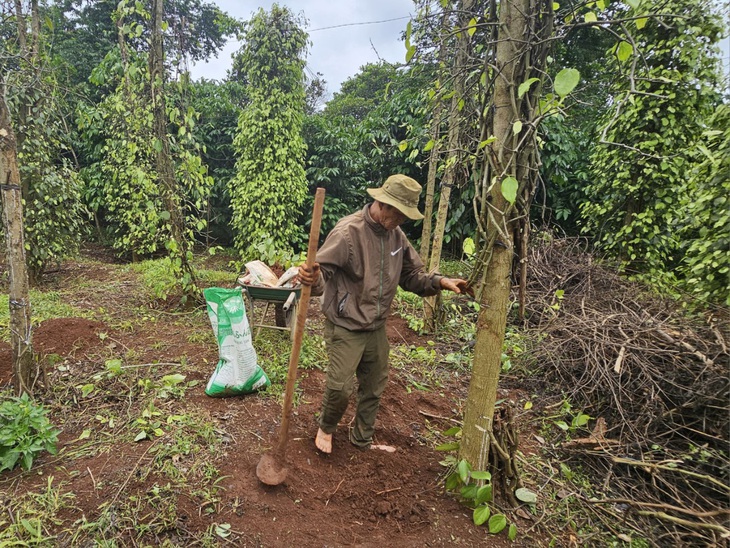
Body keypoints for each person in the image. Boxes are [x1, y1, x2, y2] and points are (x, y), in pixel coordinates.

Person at [298, 174, 470, 454]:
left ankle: (362, 439)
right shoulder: (347, 233)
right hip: (346, 324)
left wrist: (440, 282)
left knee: (374, 385)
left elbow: (412, 276)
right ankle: (326, 428)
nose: (401, 222)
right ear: (382, 203)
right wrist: (311, 277)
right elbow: (321, 273)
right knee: (340, 387)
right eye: (399, 215)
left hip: (376, 326)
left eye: (404, 217)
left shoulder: (396, 236)